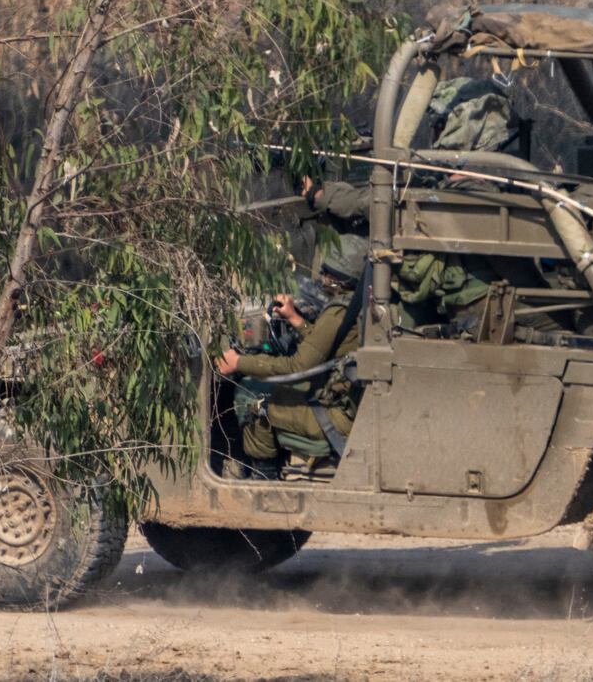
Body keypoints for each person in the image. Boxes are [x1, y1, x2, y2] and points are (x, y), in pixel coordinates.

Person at [303, 78, 513, 328]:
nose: (435, 132)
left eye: (440, 125)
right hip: (468, 297)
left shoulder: (466, 184)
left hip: (468, 302)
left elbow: (376, 204)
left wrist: (319, 194)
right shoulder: (500, 171)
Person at [215, 234, 369, 476]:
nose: (323, 278)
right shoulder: (357, 305)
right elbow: (329, 346)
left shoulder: (338, 312)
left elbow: (297, 366)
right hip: (344, 402)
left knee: (251, 396)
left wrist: (238, 362)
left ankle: (263, 477)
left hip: (335, 414)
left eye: (327, 273)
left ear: (340, 280)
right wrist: (296, 320)